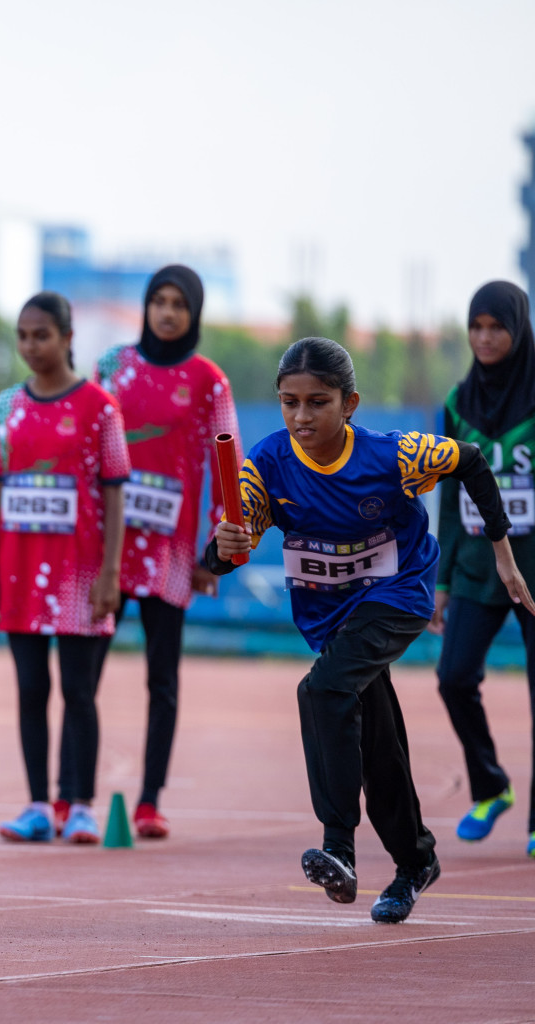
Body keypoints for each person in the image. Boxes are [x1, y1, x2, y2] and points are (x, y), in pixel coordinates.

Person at [203, 336, 531, 923]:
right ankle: (415, 863)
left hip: (398, 595)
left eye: (317, 402)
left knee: (321, 690)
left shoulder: (393, 455)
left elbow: (472, 461)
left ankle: (338, 848)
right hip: (330, 616)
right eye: (289, 402)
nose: (301, 417)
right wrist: (222, 549)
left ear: (349, 403)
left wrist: (503, 552)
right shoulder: (267, 463)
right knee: (376, 744)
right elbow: (233, 543)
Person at [0, 292, 129, 845]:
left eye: (41, 334)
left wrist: (110, 574)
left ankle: (82, 805)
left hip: (79, 576)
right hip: (19, 573)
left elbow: (115, 494)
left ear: (67, 338)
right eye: (22, 335)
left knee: (80, 692)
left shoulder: (100, 408)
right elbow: (0, 492)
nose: (30, 345)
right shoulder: (4, 408)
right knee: (29, 689)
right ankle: (38, 804)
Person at [95, 265, 239, 839]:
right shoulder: (112, 367)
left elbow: (228, 466)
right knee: (86, 676)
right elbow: (86, 444)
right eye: (159, 300)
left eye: (180, 302)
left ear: (195, 313)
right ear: (146, 306)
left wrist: (216, 548)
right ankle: (72, 796)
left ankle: (150, 800)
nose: (168, 311)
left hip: (173, 554)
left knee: (164, 679)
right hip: (107, 548)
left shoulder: (210, 381)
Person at [428, 281, 535, 858]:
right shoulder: (458, 404)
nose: (486, 338)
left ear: (519, 330)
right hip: (475, 568)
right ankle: (491, 786)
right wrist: (441, 581)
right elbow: (447, 497)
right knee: (453, 677)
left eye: (497, 327)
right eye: (477, 327)